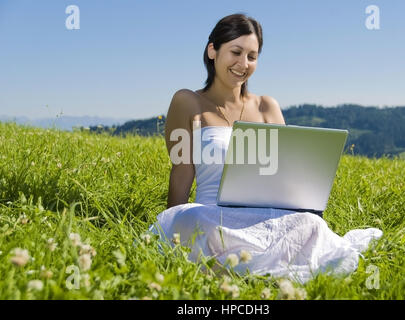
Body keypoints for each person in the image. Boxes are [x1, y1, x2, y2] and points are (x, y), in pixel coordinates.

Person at [148, 13, 382, 283]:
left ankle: (249, 261)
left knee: (312, 223)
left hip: (263, 219)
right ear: (212, 50)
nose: (243, 64)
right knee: (196, 219)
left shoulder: (267, 107)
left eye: (252, 56)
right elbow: (181, 171)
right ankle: (266, 261)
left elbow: (283, 181)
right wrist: (170, 222)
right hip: (212, 215)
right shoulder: (187, 101)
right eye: (235, 52)